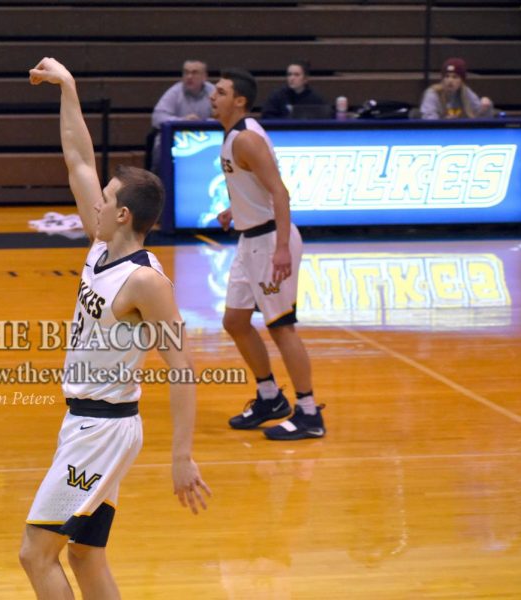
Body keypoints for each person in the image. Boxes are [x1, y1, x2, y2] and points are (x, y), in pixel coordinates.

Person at [21, 57, 211, 599]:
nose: (94, 204)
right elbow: (78, 158)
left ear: (123, 215)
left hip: (101, 432)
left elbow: (181, 368)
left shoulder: (147, 282)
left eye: (105, 200)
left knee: (36, 554)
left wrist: (181, 457)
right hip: (87, 425)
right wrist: (69, 88)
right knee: (85, 553)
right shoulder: (102, 247)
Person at [210, 68, 325, 441]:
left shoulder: (246, 139)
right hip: (250, 239)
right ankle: (269, 397)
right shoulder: (233, 136)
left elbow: (280, 193)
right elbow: (254, 187)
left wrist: (280, 251)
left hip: (270, 241)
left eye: (222, 91)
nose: (214, 96)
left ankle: (308, 413)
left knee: (281, 327)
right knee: (236, 321)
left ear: (239, 100)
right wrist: (235, 209)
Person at [149, 60, 216, 172]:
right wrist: (182, 121)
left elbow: (223, 117)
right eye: (186, 72)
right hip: (177, 140)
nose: (189, 76)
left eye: (194, 72)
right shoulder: (175, 92)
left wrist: (204, 123)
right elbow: (157, 117)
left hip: (206, 138)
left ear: (204, 76)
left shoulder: (213, 91)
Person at [419, 57, 494, 120]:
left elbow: (481, 117)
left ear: (462, 81)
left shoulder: (466, 92)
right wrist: (445, 122)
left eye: (455, 77)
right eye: (447, 76)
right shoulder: (432, 93)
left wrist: (486, 106)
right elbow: (429, 121)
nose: (450, 80)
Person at [260, 61, 326, 119]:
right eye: (289, 74)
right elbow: (267, 117)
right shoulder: (277, 96)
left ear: (306, 79)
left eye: (296, 75)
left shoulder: (316, 99)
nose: (292, 78)